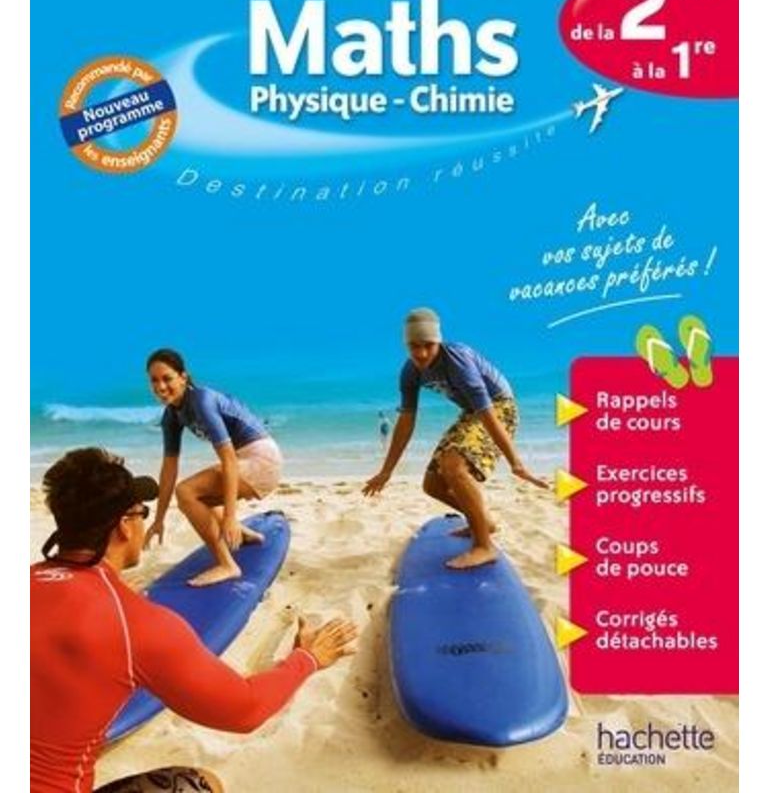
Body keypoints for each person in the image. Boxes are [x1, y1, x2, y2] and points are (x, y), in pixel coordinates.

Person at [31, 447, 357, 793]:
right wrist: (307, 659)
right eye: (142, 512)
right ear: (125, 526)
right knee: (201, 784)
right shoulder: (136, 624)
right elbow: (246, 711)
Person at [363, 308, 548, 569]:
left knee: (453, 465)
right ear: (406, 345)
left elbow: (488, 413)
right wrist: (386, 471)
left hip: (498, 408)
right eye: (414, 346)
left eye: (428, 345)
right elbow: (406, 421)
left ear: (438, 341)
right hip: (472, 413)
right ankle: (483, 521)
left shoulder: (458, 360)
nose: (421, 353)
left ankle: (484, 546)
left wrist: (516, 463)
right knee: (432, 484)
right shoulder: (410, 372)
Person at [144, 349, 283, 586]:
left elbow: (228, 460)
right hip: (246, 459)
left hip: (261, 460)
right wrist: (159, 519)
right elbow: (169, 468)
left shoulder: (202, 401)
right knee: (195, 494)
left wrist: (229, 517)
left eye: (167, 378)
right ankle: (241, 535)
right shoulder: (172, 415)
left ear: (183, 377)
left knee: (186, 492)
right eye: (154, 380)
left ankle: (227, 565)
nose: (160, 386)